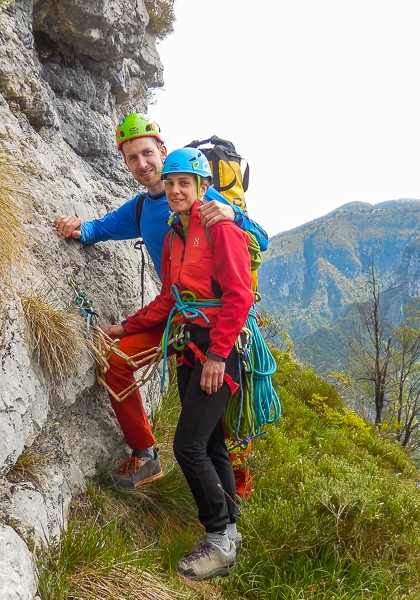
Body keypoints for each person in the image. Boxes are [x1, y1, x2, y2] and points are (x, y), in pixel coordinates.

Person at [55, 114, 267, 489]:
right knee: (116, 361)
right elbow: (97, 229)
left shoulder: (202, 196)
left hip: (218, 321)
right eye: (132, 157)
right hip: (175, 314)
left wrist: (235, 213)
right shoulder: (139, 209)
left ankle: (233, 496)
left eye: (147, 153)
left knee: (221, 412)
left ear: (162, 151)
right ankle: (145, 456)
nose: (142, 164)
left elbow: (260, 239)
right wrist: (75, 226)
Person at [105, 147, 253, 580]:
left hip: (219, 347)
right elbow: (171, 297)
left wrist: (219, 356)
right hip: (192, 343)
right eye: (169, 184)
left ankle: (220, 540)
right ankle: (232, 529)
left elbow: (240, 296)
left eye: (183, 183)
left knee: (187, 447)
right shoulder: (174, 235)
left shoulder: (220, 229)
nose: (173, 190)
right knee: (209, 445)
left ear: (202, 188)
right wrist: (127, 327)